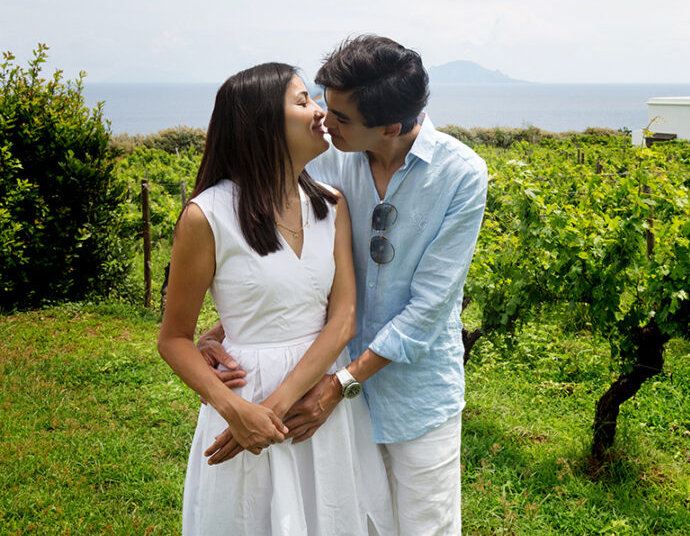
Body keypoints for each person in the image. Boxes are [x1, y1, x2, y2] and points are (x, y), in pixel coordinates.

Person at [200, 36, 488, 534]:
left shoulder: (461, 175)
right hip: (320, 390)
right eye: (321, 103)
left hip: (411, 396)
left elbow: (430, 308)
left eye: (340, 117)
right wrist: (228, 325)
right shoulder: (328, 158)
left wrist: (342, 385)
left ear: (391, 128)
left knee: (425, 527)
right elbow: (295, 261)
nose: (323, 121)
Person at [158, 62, 394, 535]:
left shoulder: (332, 204)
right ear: (263, 123)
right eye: (304, 100)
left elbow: (342, 319)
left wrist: (277, 410)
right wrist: (236, 411)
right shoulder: (206, 216)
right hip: (245, 402)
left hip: (316, 406)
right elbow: (175, 339)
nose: (320, 112)